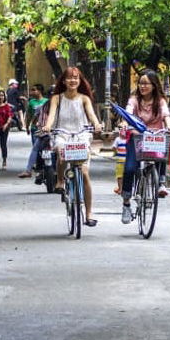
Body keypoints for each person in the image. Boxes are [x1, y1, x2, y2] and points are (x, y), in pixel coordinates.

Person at [41, 67, 103, 226]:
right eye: (69, 78)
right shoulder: (57, 98)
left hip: (82, 136)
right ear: (63, 81)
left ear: (80, 81)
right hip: (62, 134)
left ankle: (89, 213)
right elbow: (51, 116)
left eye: (76, 78)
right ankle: (60, 181)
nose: (72, 80)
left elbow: (92, 115)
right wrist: (47, 126)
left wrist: (97, 125)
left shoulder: (84, 99)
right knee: (62, 154)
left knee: (84, 173)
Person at [119, 70, 170, 224]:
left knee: (162, 149)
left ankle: (161, 182)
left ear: (154, 85)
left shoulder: (160, 101)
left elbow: (166, 115)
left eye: (146, 84)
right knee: (130, 168)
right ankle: (126, 203)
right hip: (137, 138)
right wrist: (124, 123)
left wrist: (169, 126)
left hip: (154, 137)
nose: (142, 86)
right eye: (140, 83)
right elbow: (128, 113)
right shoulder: (134, 100)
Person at [18, 85, 50, 178]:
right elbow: (32, 116)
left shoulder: (53, 104)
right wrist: (28, 126)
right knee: (36, 148)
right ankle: (30, 170)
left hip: (54, 132)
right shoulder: (36, 104)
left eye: (33, 90)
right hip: (40, 131)